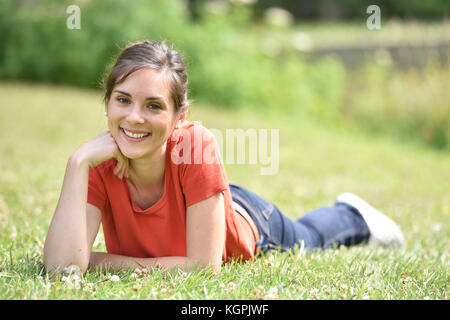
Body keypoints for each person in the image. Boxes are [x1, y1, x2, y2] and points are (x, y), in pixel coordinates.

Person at [43, 40, 405, 275]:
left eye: (153, 105)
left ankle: (354, 215)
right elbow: (62, 269)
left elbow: (203, 268)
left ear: (179, 116)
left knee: (309, 237)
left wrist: (100, 262)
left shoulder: (197, 144)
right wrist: (76, 164)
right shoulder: (96, 163)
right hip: (203, 200)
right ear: (107, 103)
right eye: (122, 100)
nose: (134, 117)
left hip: (250, 223)